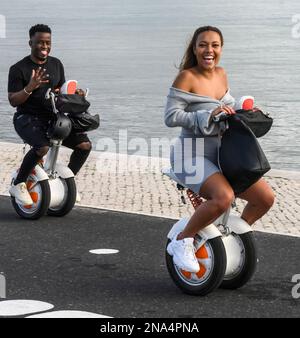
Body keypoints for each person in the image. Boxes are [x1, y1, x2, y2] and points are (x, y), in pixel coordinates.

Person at [164, 26, 275, 272]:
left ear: (221, 49)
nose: (209, 50)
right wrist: (208, 115)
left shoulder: (221, 74)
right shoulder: (187, 77)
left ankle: (234, 236)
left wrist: (246, 109)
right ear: (194, 49)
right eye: (203, 45)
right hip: (190, 155)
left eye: (215, 45)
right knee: (223, 197)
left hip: (221, 153)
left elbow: (227, 104)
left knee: (265, 199)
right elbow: (171, 117)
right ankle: (182, 241)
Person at [8, 24, 92, 205]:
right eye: (40, 42)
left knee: (84, 145)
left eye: (48, 43)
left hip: (53, 117)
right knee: (42, 147)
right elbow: (13, 100)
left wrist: (75, 96)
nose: (44, 46)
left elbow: (60, 92)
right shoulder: (19, 68)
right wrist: (30, 87)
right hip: (27, 118)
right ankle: (19, 183)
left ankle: (66, 183)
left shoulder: (56, 64)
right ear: (31, 42)